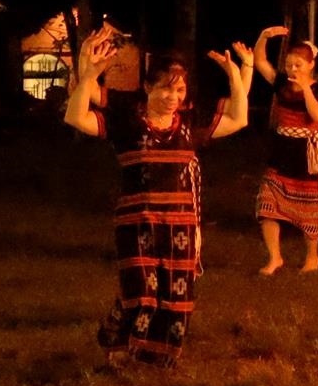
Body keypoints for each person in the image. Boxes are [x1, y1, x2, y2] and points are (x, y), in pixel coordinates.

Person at [62, 28, 251, 366]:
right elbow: (75, 116)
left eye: (178, 90)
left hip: (181, 223)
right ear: (148, 87)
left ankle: (154, 357)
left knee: (175, 295)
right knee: (142, 294)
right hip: (137, 222)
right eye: (165, 88)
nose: (172, 96)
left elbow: (239, 119)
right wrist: (88, 72)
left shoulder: (190, 125)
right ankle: (116, 337)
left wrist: (237, 76)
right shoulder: (127, 122)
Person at [251, 26, 318, 274]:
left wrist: (305, 87)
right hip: (281, 152)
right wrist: (263, 36)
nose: (292, 70)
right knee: (267, 203)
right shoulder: (281, 83)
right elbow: (260, 61)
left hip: (307, 156)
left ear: (310, 65)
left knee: (310, 212)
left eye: (298, 65)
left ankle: (312, 257)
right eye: (289, 65)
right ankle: (275, 257)